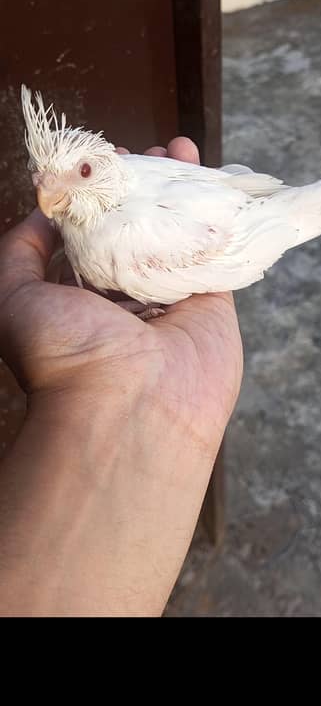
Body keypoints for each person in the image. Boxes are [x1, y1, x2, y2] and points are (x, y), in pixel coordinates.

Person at [0, 137, 243, 617]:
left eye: (84, 172)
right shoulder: (85, 242)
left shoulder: (115, 238)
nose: (49, 195)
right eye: (42, 182)